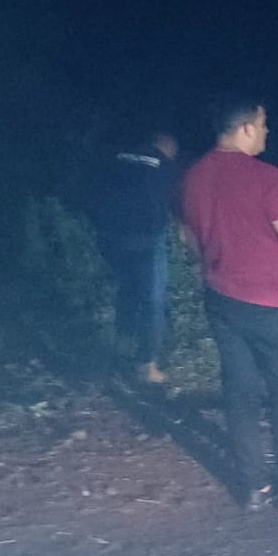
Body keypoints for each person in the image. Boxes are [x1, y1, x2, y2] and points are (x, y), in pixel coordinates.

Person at [180, 101, 278, 513]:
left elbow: (188, 237)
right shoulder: (266, 177)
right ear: (246, 129)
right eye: (265, 125)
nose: (268, 133)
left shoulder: (194, 176)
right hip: (275, 301)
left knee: (240, 392)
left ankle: (254, 488)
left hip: (222, 296)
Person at [90, 130, 180, 385]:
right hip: (148, 240)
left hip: (114, 239)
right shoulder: (162, 165)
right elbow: (170, 201)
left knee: (127, 291)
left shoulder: (120, 160)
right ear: (166, 147)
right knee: (153, 303)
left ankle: (122, 348)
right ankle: (147, 365)